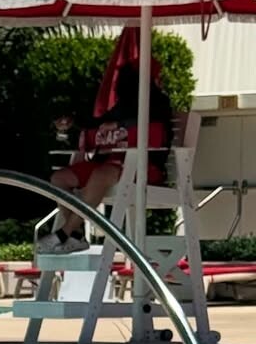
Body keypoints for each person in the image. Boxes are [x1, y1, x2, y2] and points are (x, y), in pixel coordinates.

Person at [41, 65, 173, 255]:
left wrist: (121, 125)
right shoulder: (121, 104)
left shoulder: (158, 103)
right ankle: (76, 235)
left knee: (100, 175)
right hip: (110, 162)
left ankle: (63, 234)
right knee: (59, 179)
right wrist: (74, 123)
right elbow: (98, 124)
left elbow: (155, 128)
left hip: (144, 168)